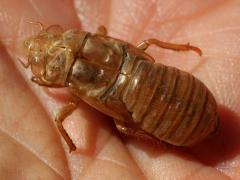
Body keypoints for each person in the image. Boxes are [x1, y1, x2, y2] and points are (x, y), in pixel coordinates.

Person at [0, 1, 239, 179]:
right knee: (149, 44)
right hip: (170, 88)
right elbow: (117, 36)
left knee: (123, 125)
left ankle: (162, 142)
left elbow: (61, 120)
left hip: (166, 114)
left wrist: (71, 144)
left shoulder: (70, 85)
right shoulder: (85, 40)